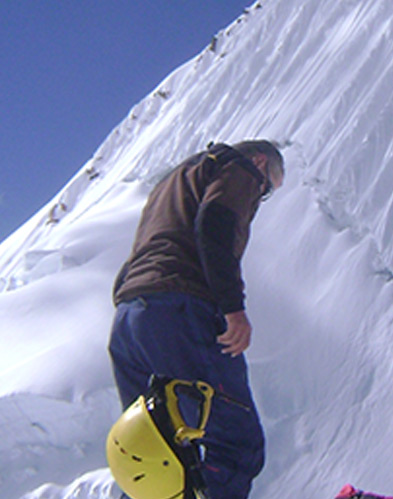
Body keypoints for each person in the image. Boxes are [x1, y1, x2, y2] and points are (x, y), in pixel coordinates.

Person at [108, 140, 284, 499]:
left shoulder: (173, 182)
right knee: (237, 442)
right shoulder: (239, 168)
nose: (261, 195)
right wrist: (233, 308)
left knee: (154, 451)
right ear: (261, 161)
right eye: (267, 188)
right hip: (178, 312)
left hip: (130, 318)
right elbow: (215, 226)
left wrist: (135, 308)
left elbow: (139, 255)